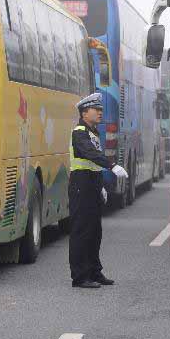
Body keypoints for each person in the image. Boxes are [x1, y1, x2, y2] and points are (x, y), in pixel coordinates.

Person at [68, 93, 128, 288]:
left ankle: (94, 271)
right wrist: (111, 165)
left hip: (92, 183)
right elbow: (89, 154)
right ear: (85, 113)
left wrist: (100, 184)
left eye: (101, 109)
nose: (101, 113)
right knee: (81, 231)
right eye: (97, 109)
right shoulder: (79, 132)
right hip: (81, 184)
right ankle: (80, 276)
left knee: (95, 231)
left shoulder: (93, 133)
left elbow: (92, 163)